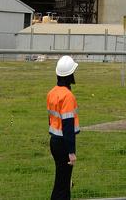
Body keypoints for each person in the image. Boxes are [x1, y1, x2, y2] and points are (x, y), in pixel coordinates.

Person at [47, 55, 80, 200]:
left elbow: (51, 120)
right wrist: (71, 152)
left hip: (54, 141)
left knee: (63, 182)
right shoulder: (68, 96)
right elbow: (68, 126)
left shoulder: (52, 93)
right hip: (64, 144)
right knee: (62, 184)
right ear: (69, 75)